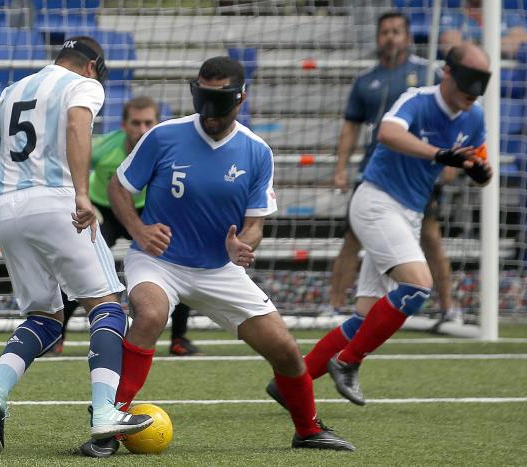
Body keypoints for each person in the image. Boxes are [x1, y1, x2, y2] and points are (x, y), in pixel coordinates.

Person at [80, 56, 355, 458]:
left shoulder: (257, 152)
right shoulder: (162, 136)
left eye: (219, 100)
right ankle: (108, 424)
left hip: (218, 268)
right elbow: (118, 187)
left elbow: (256, 224)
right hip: (158, 261)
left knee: (285, 349)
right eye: (202, 98)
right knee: (152, 314)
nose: (209, 112)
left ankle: (308, 429)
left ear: (241, 97)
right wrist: (139, 230)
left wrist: (243, 245)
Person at [0, 36, 153, 453]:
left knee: (46, 316)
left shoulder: (12, 91)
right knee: (106, 305)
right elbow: (75, 124)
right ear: (92, 67)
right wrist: (83, 194)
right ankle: (106, 412)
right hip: (55, 202)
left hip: (7, 208)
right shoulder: (84, 85)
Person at [315, 42, 493, 406]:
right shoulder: (417, 100)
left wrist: (478, 172)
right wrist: (438, 153)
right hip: (377, 201)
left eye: (478, 90)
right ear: (447, 73)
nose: (471, 97)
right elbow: (387, 133)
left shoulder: (474, 117)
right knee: (417, 286)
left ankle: (293, 381)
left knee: (366, 314)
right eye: (466, 87)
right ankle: (347, 362)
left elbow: (470, 163)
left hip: (410, 213)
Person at [326, 12, 460, 329]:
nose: (391, 37)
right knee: (352, 238)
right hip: (374, 174)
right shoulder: (365, 80)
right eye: (385, 31)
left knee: (431, 238)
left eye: (397, 31)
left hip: (418, 174)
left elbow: (449, 118)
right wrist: (341, 168)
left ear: (408, 36)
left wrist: (449, 160)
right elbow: (351, 127)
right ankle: (333, 307)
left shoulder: (428, 73)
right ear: (377, 37)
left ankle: (449, 308)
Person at [51, 96, 203, 357]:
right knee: (81, 264)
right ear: (123, 125)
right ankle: (56, 336)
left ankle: (179, 338)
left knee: (181, 261)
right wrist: (82, 199)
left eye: (148, 123)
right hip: (106, 210)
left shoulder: (170, 150)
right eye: (136, 123)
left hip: (148, 212)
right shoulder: (102, 148)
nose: (142, 130)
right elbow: (70, 168)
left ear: (157, 123)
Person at [439, 0, 527, 59]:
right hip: (467, 72)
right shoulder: (454, 17)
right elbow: (451, 47)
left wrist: (474, 44)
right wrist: (498, 44)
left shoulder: (509, 16)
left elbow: (521, 40)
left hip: (506, 75)